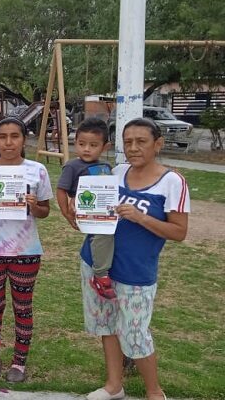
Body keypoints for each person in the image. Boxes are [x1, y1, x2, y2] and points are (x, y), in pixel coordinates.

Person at [82, 118, 189, 400]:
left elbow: (179, 232)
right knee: (107, 325)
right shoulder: (116, 172)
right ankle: (114, 386)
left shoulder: (172, 182)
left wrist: (140, 217)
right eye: (128, 142)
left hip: (136, 271)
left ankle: (155, 392)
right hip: (98, 263)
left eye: (141, 141)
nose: (133, 148)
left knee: (136, 334)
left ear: (158, 144)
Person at [0, 117, 53, 383]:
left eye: (14, 136)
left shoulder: (37, 170)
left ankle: (19, 363)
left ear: (23, 139)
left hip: (25, 251)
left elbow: (45, 211)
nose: (8, 142)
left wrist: (34, 205)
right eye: (3, 136)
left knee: (22, 307)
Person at [56, 118, 115, 299]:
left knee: (112, 233)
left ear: (105, 147)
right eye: (82, 144)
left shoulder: (106, 167)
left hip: (104, 209)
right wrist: (66, 213)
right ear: (75, 143)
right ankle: (100, 275)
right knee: (103, 234)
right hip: (83, 210)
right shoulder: (72, 166)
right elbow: (61, 190)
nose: (87, 149)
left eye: (93, 145)